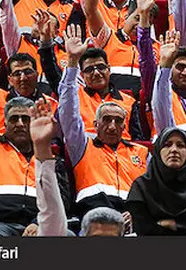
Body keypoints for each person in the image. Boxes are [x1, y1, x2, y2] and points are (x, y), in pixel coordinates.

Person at [0, 20, 70, 236]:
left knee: (67, 237)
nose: (21, 124)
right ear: (4, 124)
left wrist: (37, 222)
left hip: (41, 223)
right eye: (14, 119)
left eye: (26, 119)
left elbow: (63, 199)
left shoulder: (49, 155)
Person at [58, 25, 148, 217]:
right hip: (95, 214)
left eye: (117, 121)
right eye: (106, 120)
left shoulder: (141, 151)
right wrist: (72, 62)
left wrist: (137, 214)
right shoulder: (82, 146)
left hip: (134, 215)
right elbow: (68, 115)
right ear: (96, 124)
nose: (112, 126)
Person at [125, 127, 186, 236]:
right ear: (158, 150)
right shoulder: (142, 186)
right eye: (167, 145)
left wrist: (173, 224)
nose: (174, 150)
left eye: (180, 145)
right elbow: (144, 230)